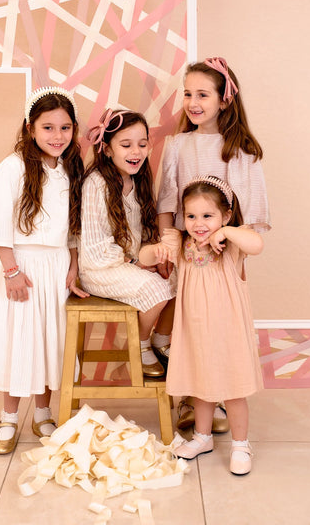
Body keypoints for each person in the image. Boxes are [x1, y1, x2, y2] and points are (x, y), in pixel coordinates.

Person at [157, 56, 270, 434]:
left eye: (203, 94)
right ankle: (193, 398)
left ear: (224, 99)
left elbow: (249, 215)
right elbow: (167, 202)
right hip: (187, 253)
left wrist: (234, 252)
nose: (193, 102)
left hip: (224, 255)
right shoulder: (178, 145)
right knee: (192, 326)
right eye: (188, 94)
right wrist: (168, 244)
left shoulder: (240, 150)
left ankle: (221, 397)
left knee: (220, 327)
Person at [0, 87, 89, 455]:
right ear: (30, 128)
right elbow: (0, 225)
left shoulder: (71, 168)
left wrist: (73, 266)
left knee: (49, 341)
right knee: (19, 339)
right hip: (21, 265)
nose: (57, 136)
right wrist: (11, 271)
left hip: (56, 266)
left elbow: (73, 227)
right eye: (48, 128)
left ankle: (42, 413)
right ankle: (8, 418)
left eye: (65, 128)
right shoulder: (12, 168)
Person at [139, 176, 264, 475]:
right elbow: (143, 256)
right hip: (194, 331)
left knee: (233, 389)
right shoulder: (182, 243)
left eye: (208, 216)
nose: (199, 224)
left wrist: (226, 232)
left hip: (228, 332)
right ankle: (202, 437)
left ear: (226, 216)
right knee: (201, 386)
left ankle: (240, 444)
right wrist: (157, 251)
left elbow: (257, 244)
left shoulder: (231, 245)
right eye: (191, 216)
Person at [78, 109, 175, 378]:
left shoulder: (138, 180)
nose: (136, 152)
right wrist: (136, 262)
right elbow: (95, 249)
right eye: (126, 145)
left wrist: (153, 259)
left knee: (179, 278)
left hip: (132, 264)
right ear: (108, 149)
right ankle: (140, 345)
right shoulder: (96, 184)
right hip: (100, 269)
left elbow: (145, 233)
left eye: (142, 144)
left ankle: (160, 339)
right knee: (156, 290)